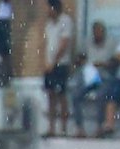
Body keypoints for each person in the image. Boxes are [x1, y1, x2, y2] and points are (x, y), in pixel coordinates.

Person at [73, 20, 114, 137]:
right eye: (95, 32)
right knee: (75, 95)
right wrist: (83, 62)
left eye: (100, 32)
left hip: (105, 75)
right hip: (90, 75)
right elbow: (79, 58)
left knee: (101, 96)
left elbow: (115, 62)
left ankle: (99, 127)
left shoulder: (111, 43)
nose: (98, 34)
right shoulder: (87, 43)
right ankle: (79, 128)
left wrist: (103, 64)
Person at [41, 0, 73, 137]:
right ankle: (51, 127)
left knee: (61, 96)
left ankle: (64, 128)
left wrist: (53, 62)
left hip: (60, 65)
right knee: (50, 96)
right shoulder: (48, 25)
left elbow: (63, 44)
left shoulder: (65, 21)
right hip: (49, 65)